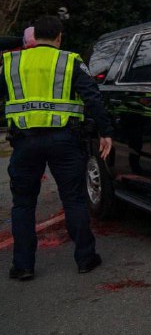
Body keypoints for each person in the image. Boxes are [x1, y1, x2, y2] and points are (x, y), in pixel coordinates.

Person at [1, 15, 113, 280]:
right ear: (59, 37)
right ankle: (85, 259)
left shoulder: (10, 62)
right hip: (64, 140)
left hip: (24, 142)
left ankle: (23, 265)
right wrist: (105, 131)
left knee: (24, 204)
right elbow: (92, 97)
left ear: (33, 36)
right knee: (73, 198)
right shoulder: (69, 60)